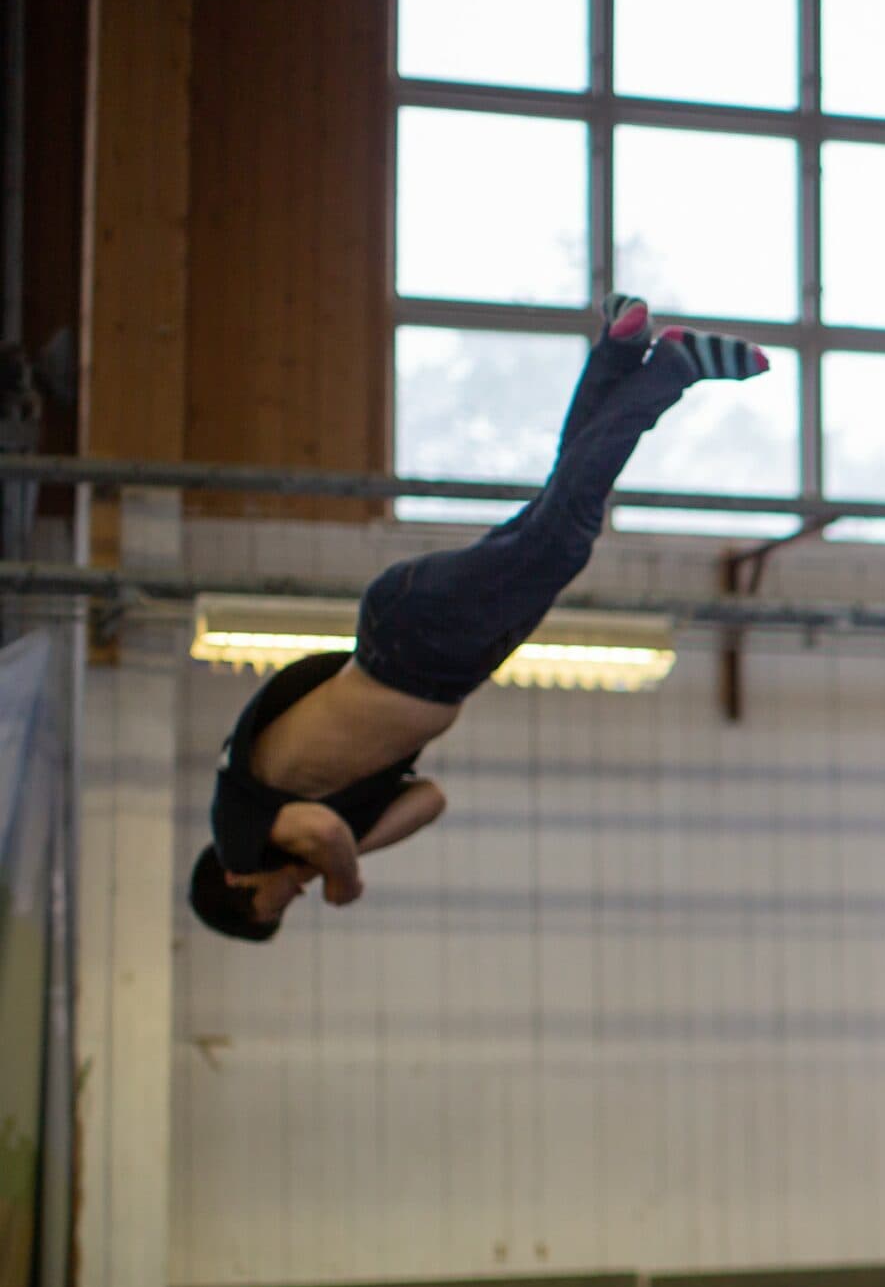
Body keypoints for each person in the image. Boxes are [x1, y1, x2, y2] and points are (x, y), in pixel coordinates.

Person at [188, 296, 768, 941]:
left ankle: (673, 369)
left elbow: (323, 835)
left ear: (237, 882)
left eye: (276, 902)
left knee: (565, 533)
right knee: (563, 515)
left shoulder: (240, 836)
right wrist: (348, 855)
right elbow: (427, 801)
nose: (293, 892)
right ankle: (619, 352)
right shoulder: (296, 820)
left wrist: (344, 877)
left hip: (413, 647)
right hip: (445, 658)